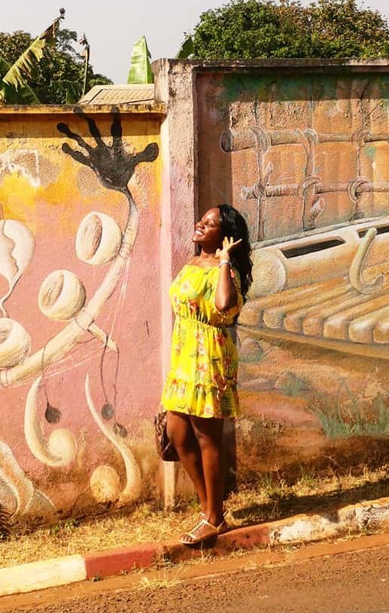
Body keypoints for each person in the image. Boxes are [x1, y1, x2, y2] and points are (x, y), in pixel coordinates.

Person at [161, 204, 253, 546]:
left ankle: (214, 517)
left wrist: (226, 260)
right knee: (177, 431)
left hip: (210, 358)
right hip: (184, 356)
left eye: (210, 224)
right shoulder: (192, 262)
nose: (201, 224)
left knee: (206, 438)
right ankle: (209, 510)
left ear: (224, 235)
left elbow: (223, 306)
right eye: (203, 219)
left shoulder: (224, 271)